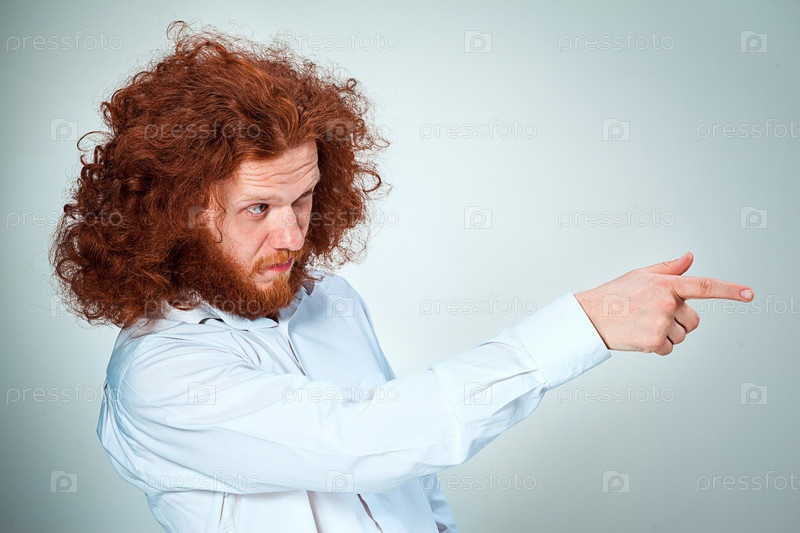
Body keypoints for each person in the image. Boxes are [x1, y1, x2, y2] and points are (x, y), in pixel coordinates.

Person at [50, 21, 754, 533]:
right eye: (258, 208)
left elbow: (409, 478)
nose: (292, 235)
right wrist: (584, 323)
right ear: (181, 209)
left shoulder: (330, 301)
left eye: (304, 199)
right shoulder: (160, 373)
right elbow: (363, 443)